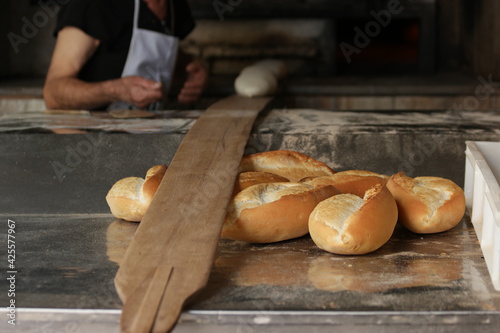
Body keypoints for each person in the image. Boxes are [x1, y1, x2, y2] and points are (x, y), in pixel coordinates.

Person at [43, 0, 208, 111]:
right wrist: (114, 90)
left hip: (151, 134)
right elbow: (53, 92)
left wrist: (189, 70)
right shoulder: (92, 4)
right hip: (92, 142)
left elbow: (160, 54)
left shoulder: (174, 5)